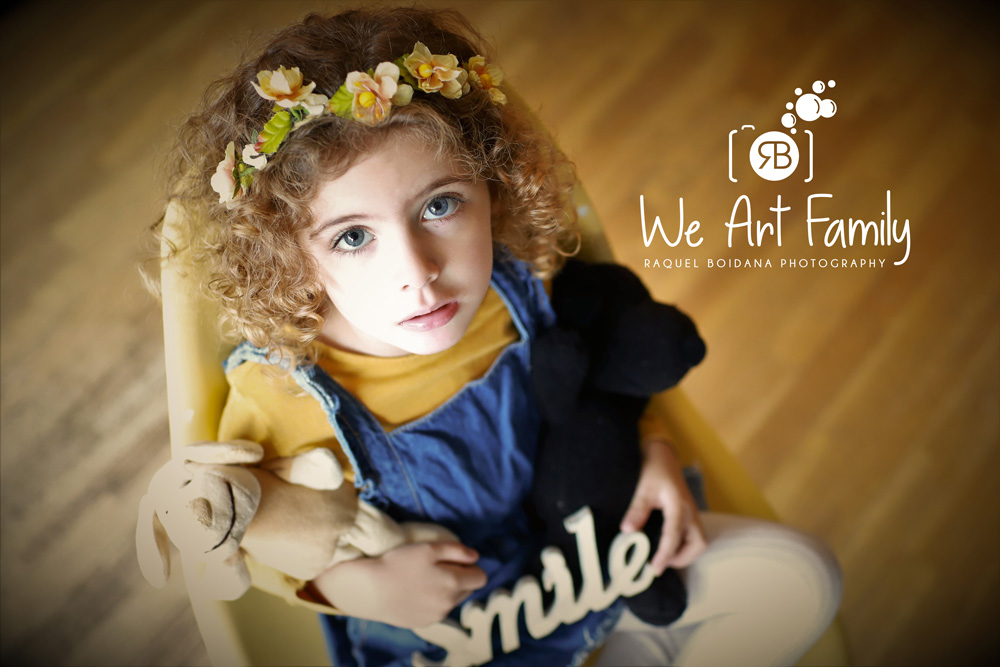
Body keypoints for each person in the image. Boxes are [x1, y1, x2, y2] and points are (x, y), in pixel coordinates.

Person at [158, 7, 842, 666]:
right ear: (292, 253)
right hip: (459, 639)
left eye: (440, 205)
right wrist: (355, 586)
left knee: (803, 576)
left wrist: (651, 443)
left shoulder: (520, 285)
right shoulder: (283, 389)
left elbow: (600, 379)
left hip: (588, 551)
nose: (419, 274)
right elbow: (253, 532)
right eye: (355, 236)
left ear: (493, 185)